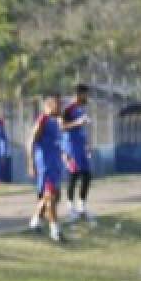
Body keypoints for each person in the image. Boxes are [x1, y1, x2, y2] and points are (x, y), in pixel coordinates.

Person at [27, 95, 64, 242]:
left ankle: (35, 220)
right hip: (46, 165)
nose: (60, 107)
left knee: (55, 195)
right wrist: (31, 163)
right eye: (57, 104)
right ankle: (55, 230)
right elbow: (31, 141)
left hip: (55, 165)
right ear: (48, 106)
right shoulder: (43, 120)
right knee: (50, 197)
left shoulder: (56, 122)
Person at [60, 83, 94, 222]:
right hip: (71, 147)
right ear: (79, 94)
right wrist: (77, 123)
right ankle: (70, 208)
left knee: (87, 175)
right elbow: (61, 126)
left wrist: (87, 144)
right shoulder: (68, 109)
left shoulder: (81, 108)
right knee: (73, 175)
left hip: (81, 147)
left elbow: (82, 129)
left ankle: (82, 207)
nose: (87, 97)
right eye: (85, 94)